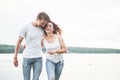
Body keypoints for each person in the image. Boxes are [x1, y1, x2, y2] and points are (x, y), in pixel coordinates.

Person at [13, 12, 50, 80]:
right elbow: (19, 42)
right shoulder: (26, 27)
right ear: (37, 19)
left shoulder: (43, 29)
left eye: (45, 24)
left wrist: (41, 43)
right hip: (27, 57)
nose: (43, 25)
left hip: (38, 58)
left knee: (36, 78)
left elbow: (43, 44)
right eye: (42, 23)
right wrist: (15, 57)